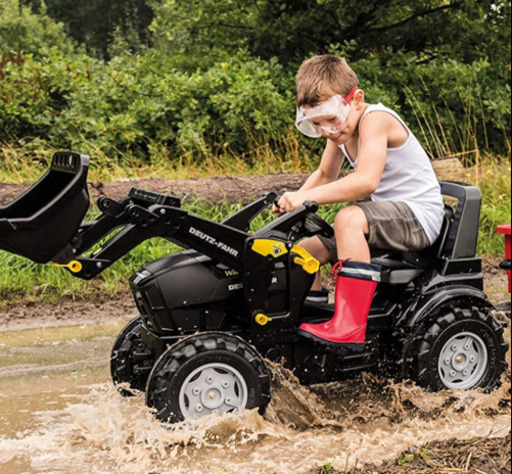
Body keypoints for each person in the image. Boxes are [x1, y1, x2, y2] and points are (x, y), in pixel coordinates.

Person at [276, 55, 445, 348]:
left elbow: (367, 181)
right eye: (318, 125)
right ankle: (312, 321)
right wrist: (290, 210)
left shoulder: (375, 120)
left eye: (331, 119)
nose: (328, 130)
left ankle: (350, 325)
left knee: (349, 218)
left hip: (419, 216)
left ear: (356, 99)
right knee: (305, 252)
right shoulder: (339, 131)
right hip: (387, 219)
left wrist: (305, 197)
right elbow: (325, 174)